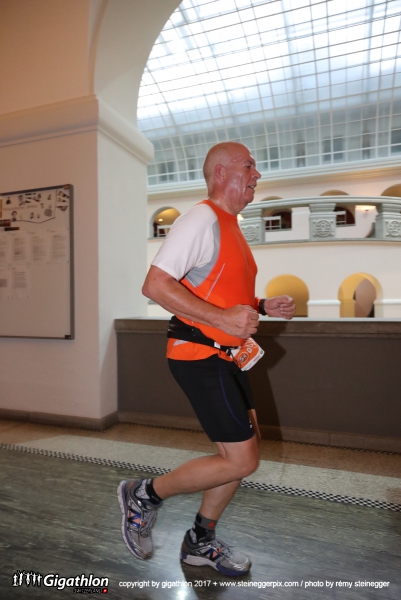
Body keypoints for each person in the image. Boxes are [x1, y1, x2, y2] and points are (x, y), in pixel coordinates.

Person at [117, 142, 295, 576]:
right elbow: (156, 285)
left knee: (242, 452)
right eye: (249, 166)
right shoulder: (202, 218)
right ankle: (144, 494)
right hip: (199, 354)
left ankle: (200, 541)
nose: (257, 175)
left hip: (228, 356)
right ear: (221, 173)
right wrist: (221, 319)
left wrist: (260, 304)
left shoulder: (230, 225)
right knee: (241, 459)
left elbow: (217, 291)